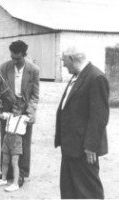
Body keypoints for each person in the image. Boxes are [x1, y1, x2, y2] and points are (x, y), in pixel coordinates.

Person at [55, 47, 109, 199]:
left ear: (72, 59)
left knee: (88, 190)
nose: (63, 65)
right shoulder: (77, 76)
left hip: (83, 148)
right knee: (69, 187)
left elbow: (99, 116)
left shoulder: (96, 77)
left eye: (64, 62)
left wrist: (91, 146)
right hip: (70, 145)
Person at [0, 40, 40, 187]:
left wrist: (31, 112)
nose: (14, 60)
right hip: (7, 109)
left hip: (24, 110)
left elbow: (35, 95)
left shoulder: (34, 70)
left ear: (24, 55)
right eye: (12, 57)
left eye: (18, 58)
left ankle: (22, 174)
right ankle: (6, 173)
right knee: (5, 141)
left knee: (23, 144)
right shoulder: (4, 67)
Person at [0, 99, 29, 192]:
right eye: (14, 108)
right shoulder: (8, 115)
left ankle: (15, 183)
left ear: (22, 110)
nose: (15, 111)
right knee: (5, 161)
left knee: (14, 162)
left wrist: (32, 111)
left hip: (17, 139)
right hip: (7, 138)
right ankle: (3, 179)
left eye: (18, 110)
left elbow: (32, 120)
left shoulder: (24, 118)